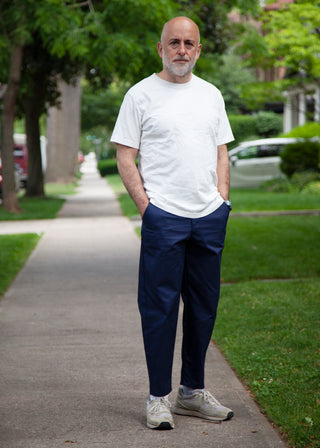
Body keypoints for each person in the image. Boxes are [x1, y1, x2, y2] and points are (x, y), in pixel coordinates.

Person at [111, 16, 234, 430]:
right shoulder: (140, 95)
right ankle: (158, 397)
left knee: (203, 308)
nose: (182, 49)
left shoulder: (212, 95)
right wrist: (148, 207)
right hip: (164, 218)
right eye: (174, 42)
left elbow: (221, 151)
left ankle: (192, 393)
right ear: (160, 48)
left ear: (199, 50)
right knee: (160, 310)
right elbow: (125, 155)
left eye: (189, 43)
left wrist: (222, 201)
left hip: (208, 217)